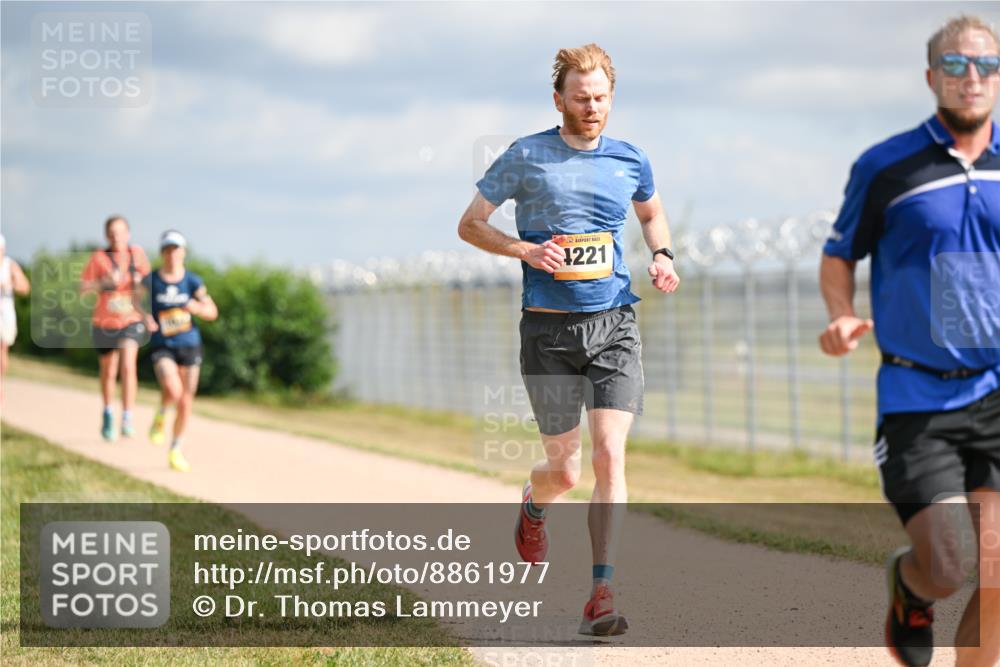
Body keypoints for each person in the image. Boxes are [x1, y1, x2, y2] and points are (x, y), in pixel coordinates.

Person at [457, 43, 679, 636]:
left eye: (601, 98)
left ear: (612, 98)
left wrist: (661, 254)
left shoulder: (630, 158)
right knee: (566, 470)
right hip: (547, 332)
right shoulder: (526, 155)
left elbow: (651, 214)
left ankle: (601, 593)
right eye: (581, 98)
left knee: (609, 455)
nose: (592, 107)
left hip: (614, 325)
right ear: (558, 100)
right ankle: (535, 503)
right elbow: (470, 223)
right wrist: (525, 250)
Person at [819, 15, 1000, 667]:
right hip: (917, 395)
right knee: (950, 565)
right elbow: (839, 255)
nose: (970, 76)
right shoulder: (887, 166)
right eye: (955, 64)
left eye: (985, 64)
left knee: (998, 567)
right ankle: (913, 585)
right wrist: (842, 314)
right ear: (931, 77)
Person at [142, 230, 217, 472]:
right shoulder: (151, 280)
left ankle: (175, 449)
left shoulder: (193, 281)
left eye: (176, 249)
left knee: (186, 400)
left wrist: (197, 308)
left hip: (190, 343)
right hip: (163, 344)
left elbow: (212, 311)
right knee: (173, 391)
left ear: (183, 252)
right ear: (162, 253)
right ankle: (162, 414)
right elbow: (134, 301)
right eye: (167, 249)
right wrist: (145, 318)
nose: (172, 254)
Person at [80, 215, 151, 441]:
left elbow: (149, 285)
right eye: (112, 233)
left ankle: (128, 416)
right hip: (104, 322)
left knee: (128, 366)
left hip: (131, 319)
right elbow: (83, 288)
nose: (116, 237)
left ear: (128, 234)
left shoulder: (137, 254)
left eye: (120, 232)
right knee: (109, 371)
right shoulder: (98, 258)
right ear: (106, 235)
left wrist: (139, 283)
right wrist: (103, 283)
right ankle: (108, 412)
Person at [0, 233, 31, 404]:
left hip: (5, 313)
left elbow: (25, 287)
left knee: (2, 348)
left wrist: (11, 284)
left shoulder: (10, 265)